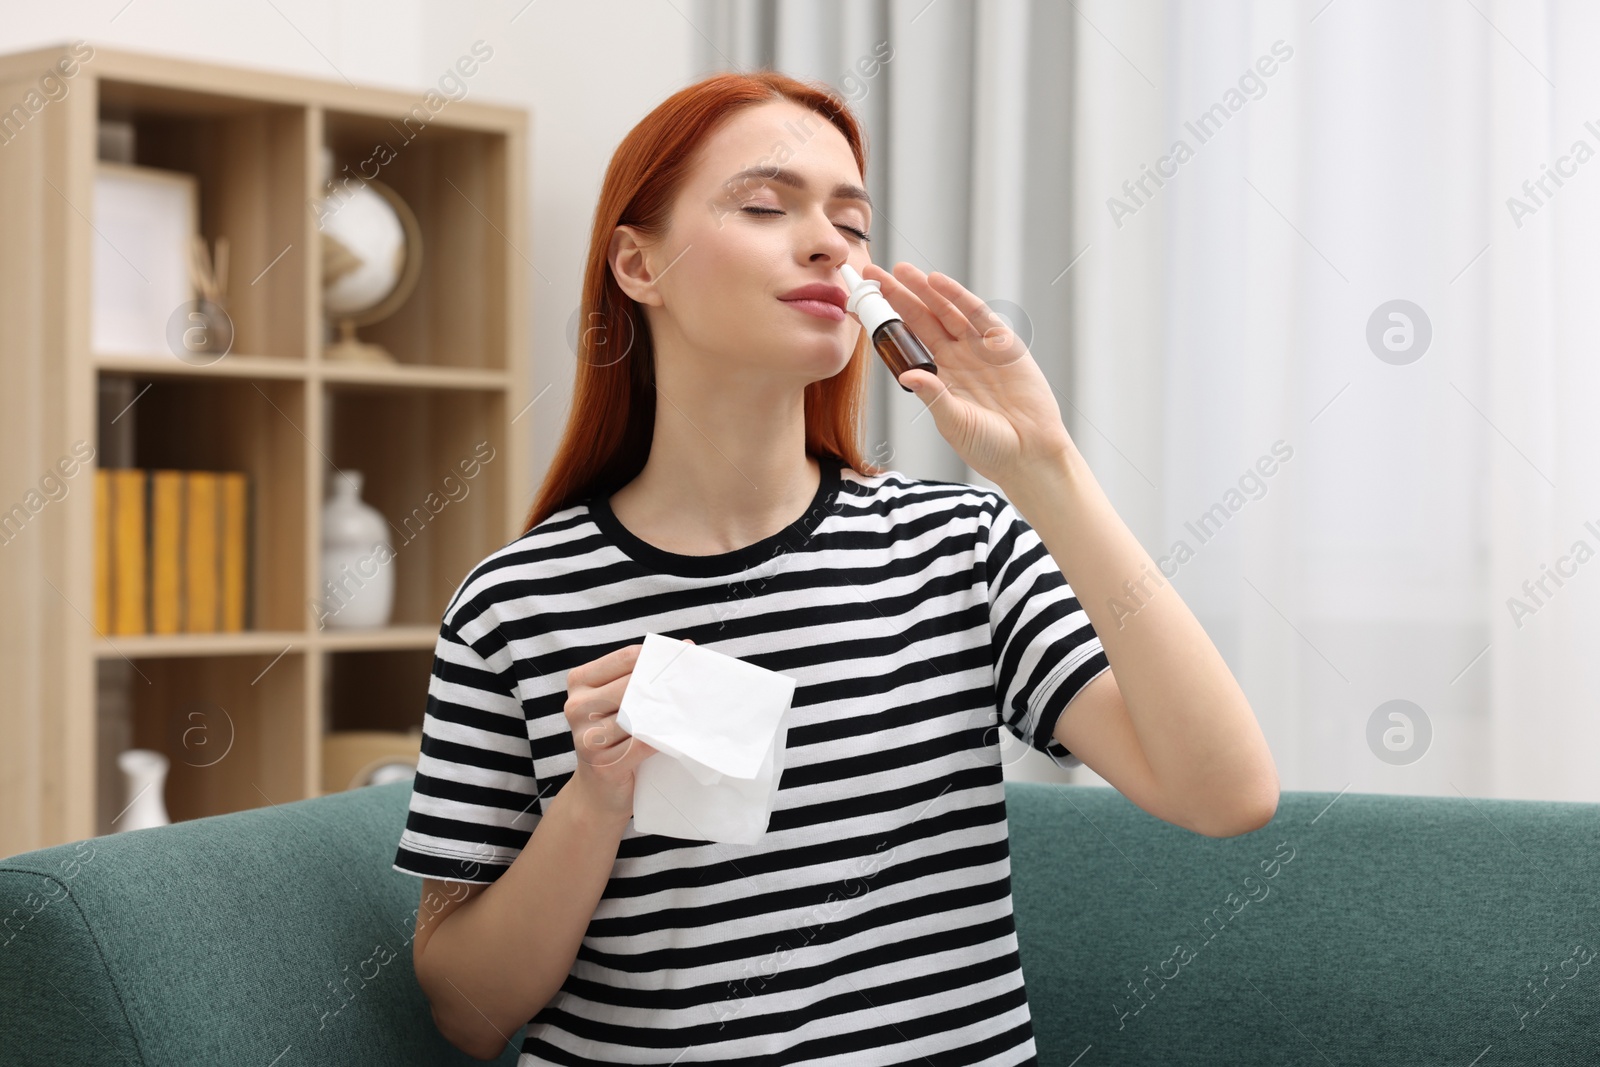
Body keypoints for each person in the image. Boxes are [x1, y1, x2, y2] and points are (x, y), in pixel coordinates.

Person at [392, 68, 1277, 1065]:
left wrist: (1049, 471)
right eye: (765, 205)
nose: (827, 242)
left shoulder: (956, 549)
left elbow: (1225, 793)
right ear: (637, 266)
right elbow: (467, 1010)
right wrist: (593, 800)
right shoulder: (516, 605)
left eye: (850, 222)